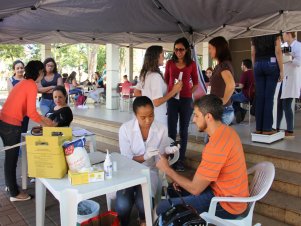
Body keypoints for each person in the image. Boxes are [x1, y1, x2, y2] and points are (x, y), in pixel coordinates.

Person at [156, 94, 249, 219]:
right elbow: (206, 171)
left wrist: (167, 170)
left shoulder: (217, 145)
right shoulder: (225, 131)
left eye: (196, 115)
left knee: (162, 208)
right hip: (223, 192)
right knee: (174, 190)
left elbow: (195, 189)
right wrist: (185, 180)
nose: (193, 119)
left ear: (208, 117)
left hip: (227, 204)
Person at [116, 96, 179, 226]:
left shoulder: (161, 129)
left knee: (143, 203)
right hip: (129, 171)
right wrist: (143, 157)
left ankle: (143, 221)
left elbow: (159, 160)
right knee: (122, 205)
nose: (148, 120)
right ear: (135, 115)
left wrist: (166, 152)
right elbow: (125, 159)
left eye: (151, 115)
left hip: (150, 172)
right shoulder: (125, 129)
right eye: (143, 117)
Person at [0, 60, 55, 202]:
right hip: (11, 125)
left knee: (9, 157)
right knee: (11, 159)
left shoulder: (24, 83)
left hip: (4, 121)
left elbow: (27, 109)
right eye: (42, 71)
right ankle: (14, 193)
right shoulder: (31, 85)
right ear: (39, 72)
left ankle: (10, 185)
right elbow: (31, 112)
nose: (43, 74)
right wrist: (47, 124)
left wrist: (43, 120)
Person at [165, 37, 198, 172]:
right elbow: (167, 80)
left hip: (185, 101)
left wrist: (187, 93)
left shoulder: (192, 64)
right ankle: (172, 157)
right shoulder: (169, 63)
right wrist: (172, 92)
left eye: (181, 50)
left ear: (186, 50)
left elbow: (196, 83)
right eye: (176, 49)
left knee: (183, 131)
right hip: (172, 99)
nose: (178, 52)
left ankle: (181, 160)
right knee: (171, 130)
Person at [135, 45, 183, 125]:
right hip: (157, 117)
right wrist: (174, 90)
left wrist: (149, 98)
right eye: (162, 55)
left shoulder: (145, 74)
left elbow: (136, 92)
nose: (163, 58)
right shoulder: (155, 76)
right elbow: (157, 102)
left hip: (150, 115)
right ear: (156, 57)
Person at [251, 33, 284, 134]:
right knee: (269, 98)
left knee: (260, 97)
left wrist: (255, 67)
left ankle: (258, 128)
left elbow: (253, 53)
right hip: (271, 63)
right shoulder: (275, 31)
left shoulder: (254, 32)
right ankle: (267, 129)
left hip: (257, 64)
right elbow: (278, 51)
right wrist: (282, 70)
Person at [277, 32, 301, 138]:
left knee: (286, 105)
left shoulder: (298, 46)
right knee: (279, 104)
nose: (283, 36)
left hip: (292, 79)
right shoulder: (286, 46)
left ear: (289, 34)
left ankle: (290, 130)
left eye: (284, 34)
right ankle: (276, 127)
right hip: (285, 79)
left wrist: (289, 57)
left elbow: (299, 62)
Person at [208, 36, 236, 126]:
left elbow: (231, 85)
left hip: (222, 111)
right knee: (211, 139)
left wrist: (223, 100)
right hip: (218, 110)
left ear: (218, 48)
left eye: (210, 48)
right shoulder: (220, 65)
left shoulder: (223, 66)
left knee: (213, 139)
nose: (209, 51)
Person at [7, 60, 30, 134]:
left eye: (21, 68)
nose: (20, 70)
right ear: (14, 70)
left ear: (24, 69)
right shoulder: (10, 80)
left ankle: (21, 145)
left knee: (24, 130)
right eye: (17, 68)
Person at [232, 59, 255, 123]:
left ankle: (239, 111)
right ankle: (242, 111)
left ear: (244, 66)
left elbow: (241, 86)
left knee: (230, 98)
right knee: (235, 98)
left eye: (242, 65)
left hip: (245, 95)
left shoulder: (245, 73)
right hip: (253, 96)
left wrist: (234, 86)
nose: (241, 66)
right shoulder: (253, 73)